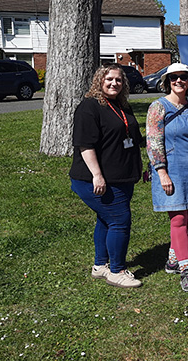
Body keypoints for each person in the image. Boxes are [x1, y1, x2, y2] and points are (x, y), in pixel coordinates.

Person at [70, 64, 144, 288]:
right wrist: (97, 175)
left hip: (122, 178)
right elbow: (85, 145)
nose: (114, 83)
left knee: (106, 219)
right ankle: (116, 271)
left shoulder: (122, 106)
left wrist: (142, 167)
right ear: (99, 81)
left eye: (119, 80)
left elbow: (133, 141)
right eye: (109, 79)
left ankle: (100, 265)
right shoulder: (89, 107)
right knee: (119, 220)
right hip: (96, 180)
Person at [146, 63, 188, 293]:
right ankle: (186, 269)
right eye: (174, 78)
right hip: (171, 171)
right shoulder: (158, 107)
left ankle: (172, 259)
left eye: (183, 78)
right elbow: (153, 141)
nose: (179, 81)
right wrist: (161, 171)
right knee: (178, 219)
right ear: (167, 81)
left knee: (185, 216)